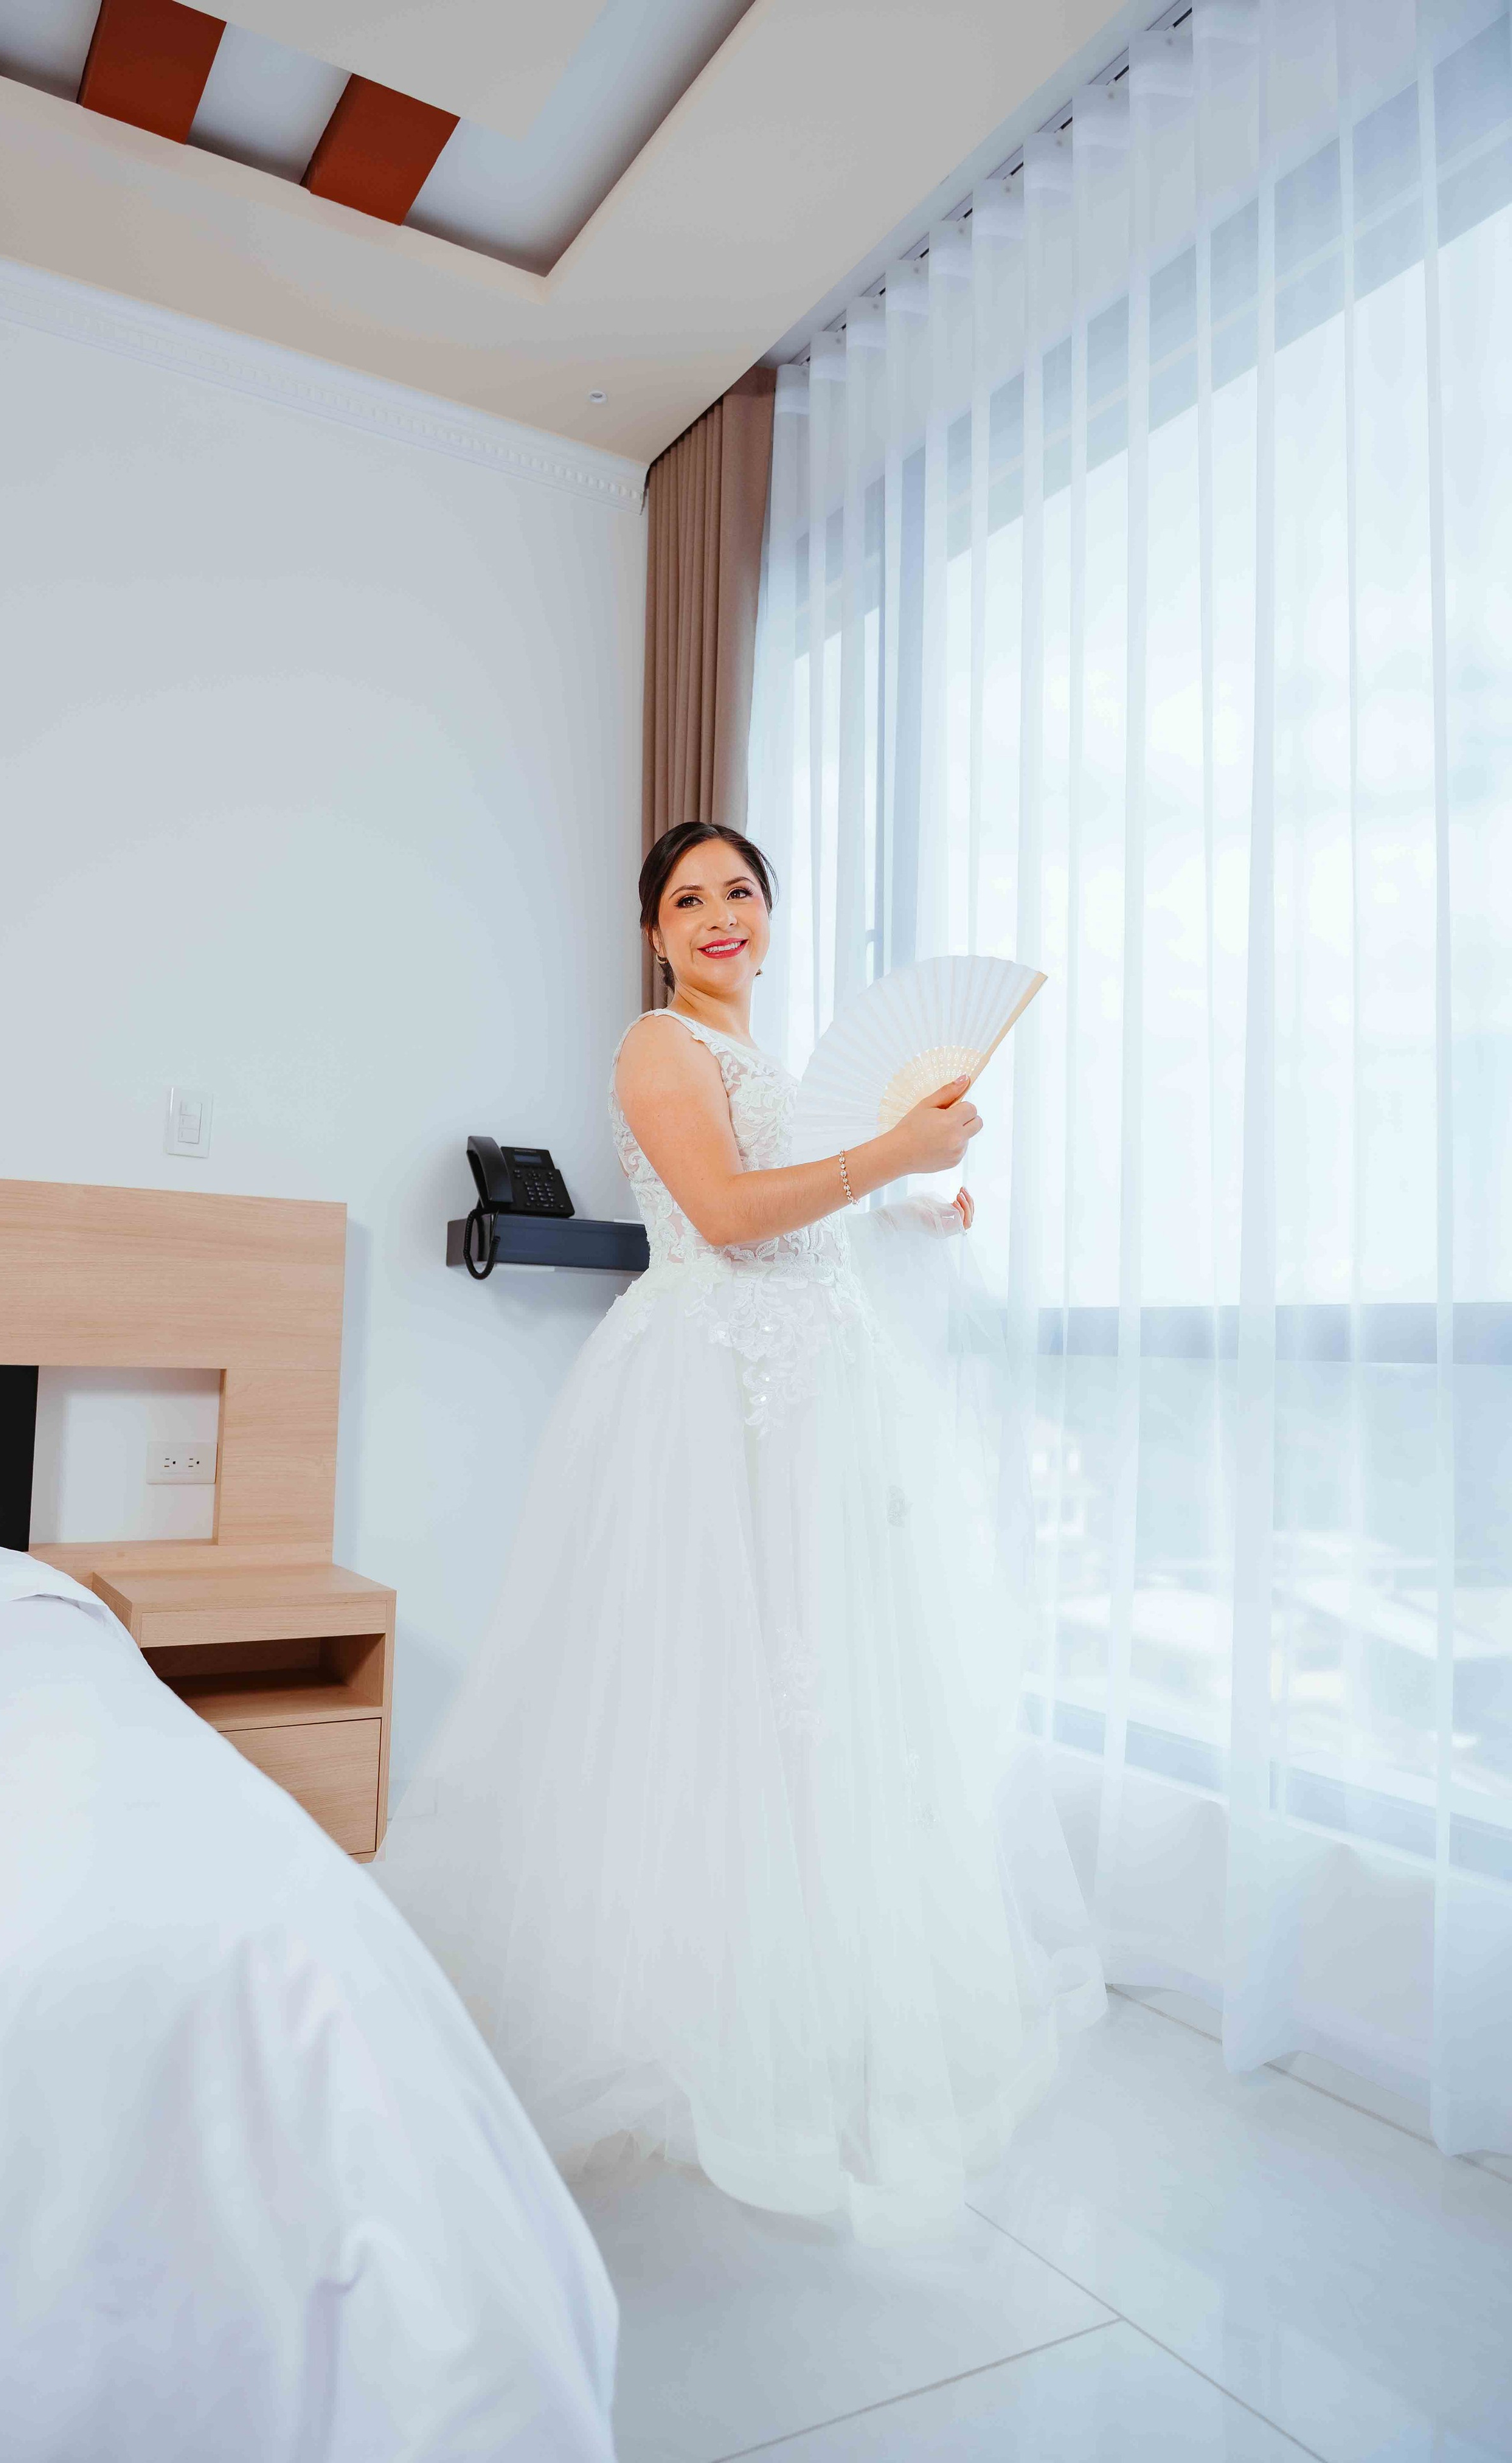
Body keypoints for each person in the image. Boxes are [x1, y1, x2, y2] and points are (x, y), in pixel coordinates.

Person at [378, 819, 1104, 2245]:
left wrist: (915, 1212)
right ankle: (679, 2020)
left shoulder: (771, 1067)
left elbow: (807, 1227)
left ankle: (803, 2006)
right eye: (689, 898)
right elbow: (718, 1214)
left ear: (770, 919)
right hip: (706, 1404)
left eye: (741, 893)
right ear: (654, 933)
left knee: (813, 1700)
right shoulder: (661, 1051)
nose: (719, 916)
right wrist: (890, 1145)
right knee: (703, 1698)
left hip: (813, 1404)